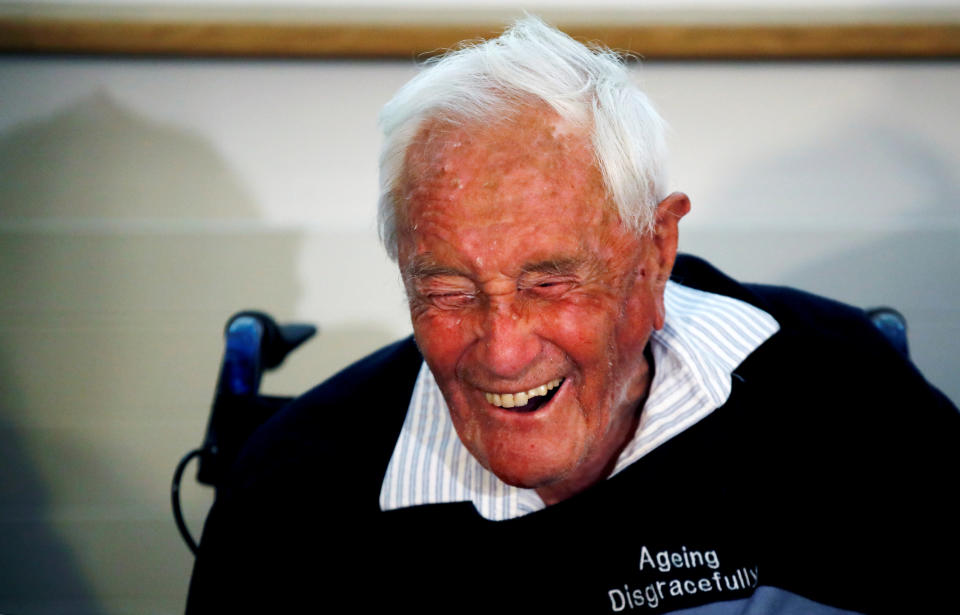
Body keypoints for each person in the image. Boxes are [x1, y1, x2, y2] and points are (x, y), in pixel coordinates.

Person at [185, 17, 958, 614]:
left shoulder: (844, 391)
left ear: (654, 250)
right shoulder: (291, 500)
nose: (505, 350)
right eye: (449, 291)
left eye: (550, 282)